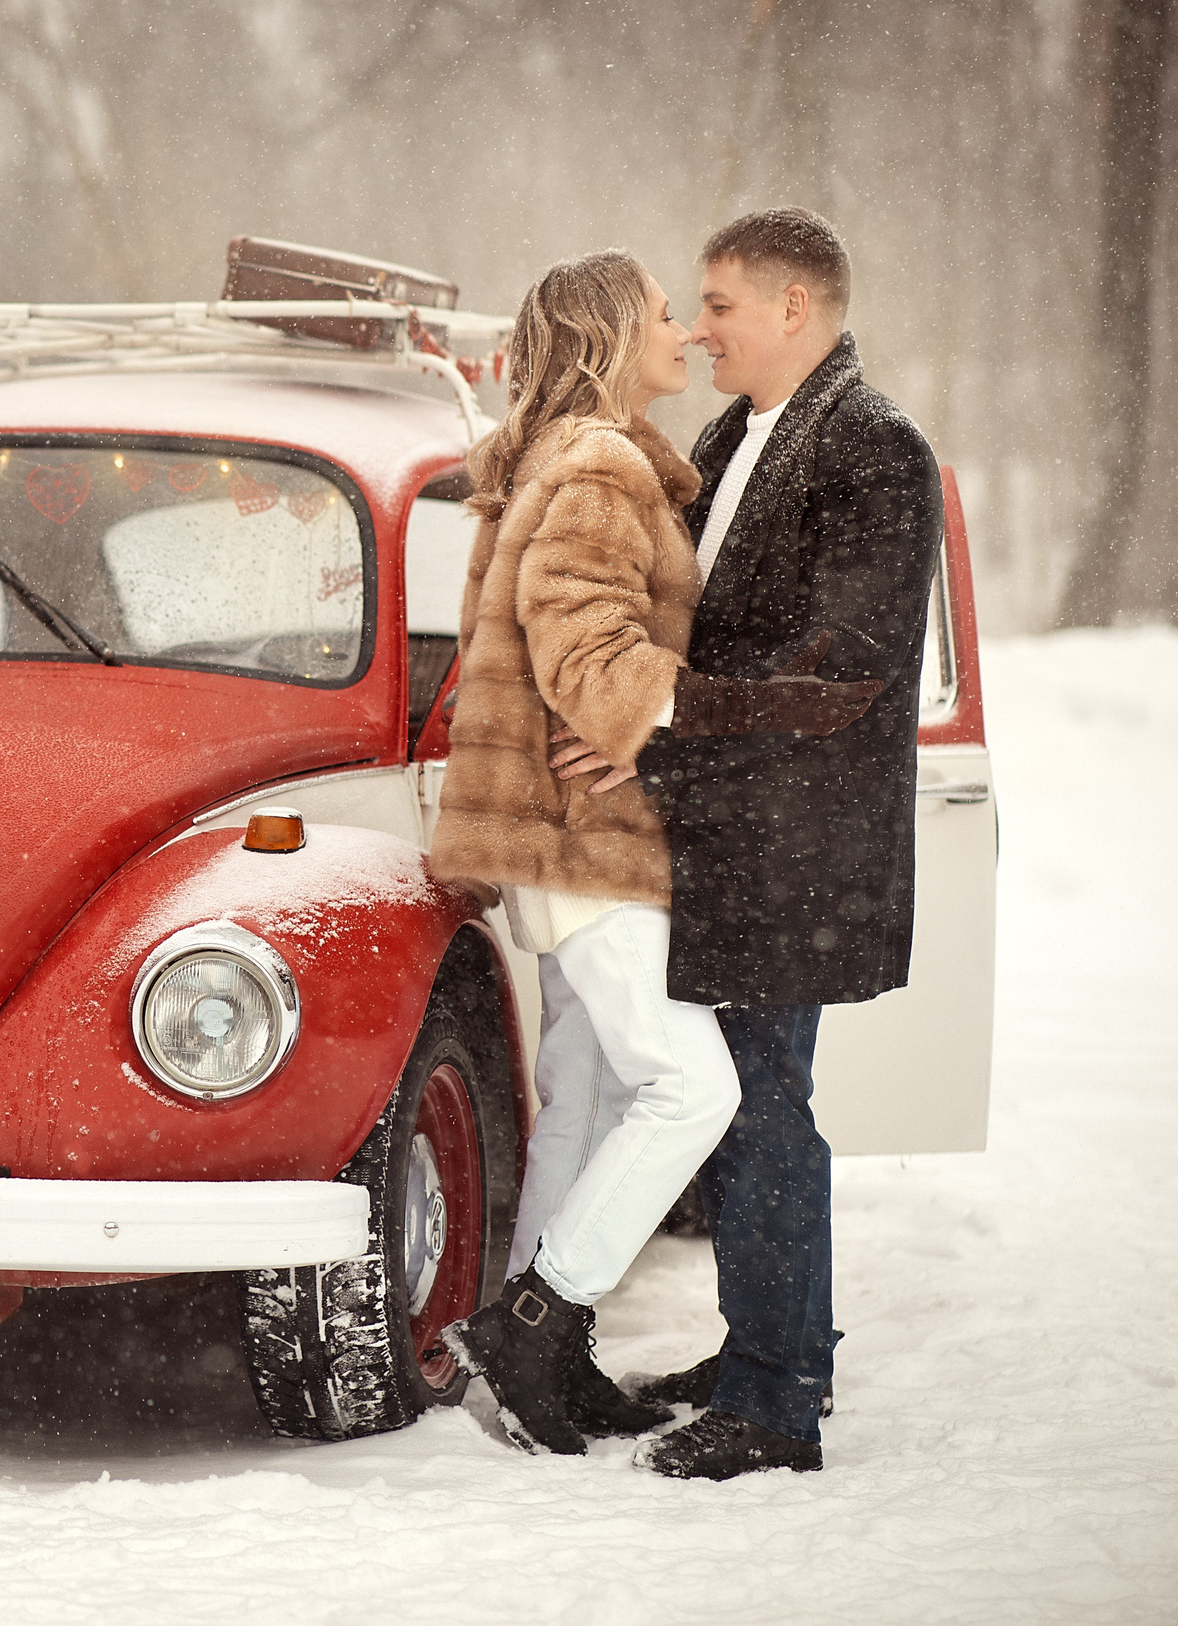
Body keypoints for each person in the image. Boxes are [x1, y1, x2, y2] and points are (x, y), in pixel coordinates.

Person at [427, 250, 882, 1457]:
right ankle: (535, 1323)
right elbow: (587, 661)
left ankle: (540, 1362)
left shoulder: (555, 457)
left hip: (545, 834)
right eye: (666, 317)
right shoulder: (598, 466)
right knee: (696, 1088)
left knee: (579, 1094)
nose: (685, 332)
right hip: (583, 837)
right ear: (614, 338)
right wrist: (670, 713)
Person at [552, 208, 946, 1481]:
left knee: (764, 1110)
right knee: (740, 1109)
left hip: (799, 847)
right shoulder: (733, 434)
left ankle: (776, 1404)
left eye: (717, 303)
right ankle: (759, 1348)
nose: (698, 327)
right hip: (729, 831)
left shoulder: (876, 450)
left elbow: (840, 673)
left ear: (793, 307)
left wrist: (655, 738)